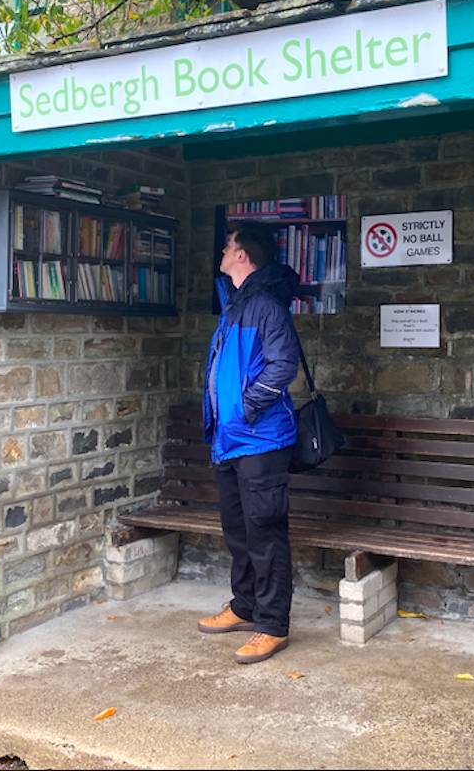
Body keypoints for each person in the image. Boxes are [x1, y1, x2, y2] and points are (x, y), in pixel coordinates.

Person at [199, 222, 300, 664]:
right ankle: (244, 605)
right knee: (238, 531)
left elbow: (283, 366)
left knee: (266, 533)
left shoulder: (264, 306)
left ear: (242, 256)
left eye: (228, 245)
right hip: (229, 440)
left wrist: (245, 407)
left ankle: (273, 625)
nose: (222, 250)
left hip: (259, 440)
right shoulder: (235, 302)